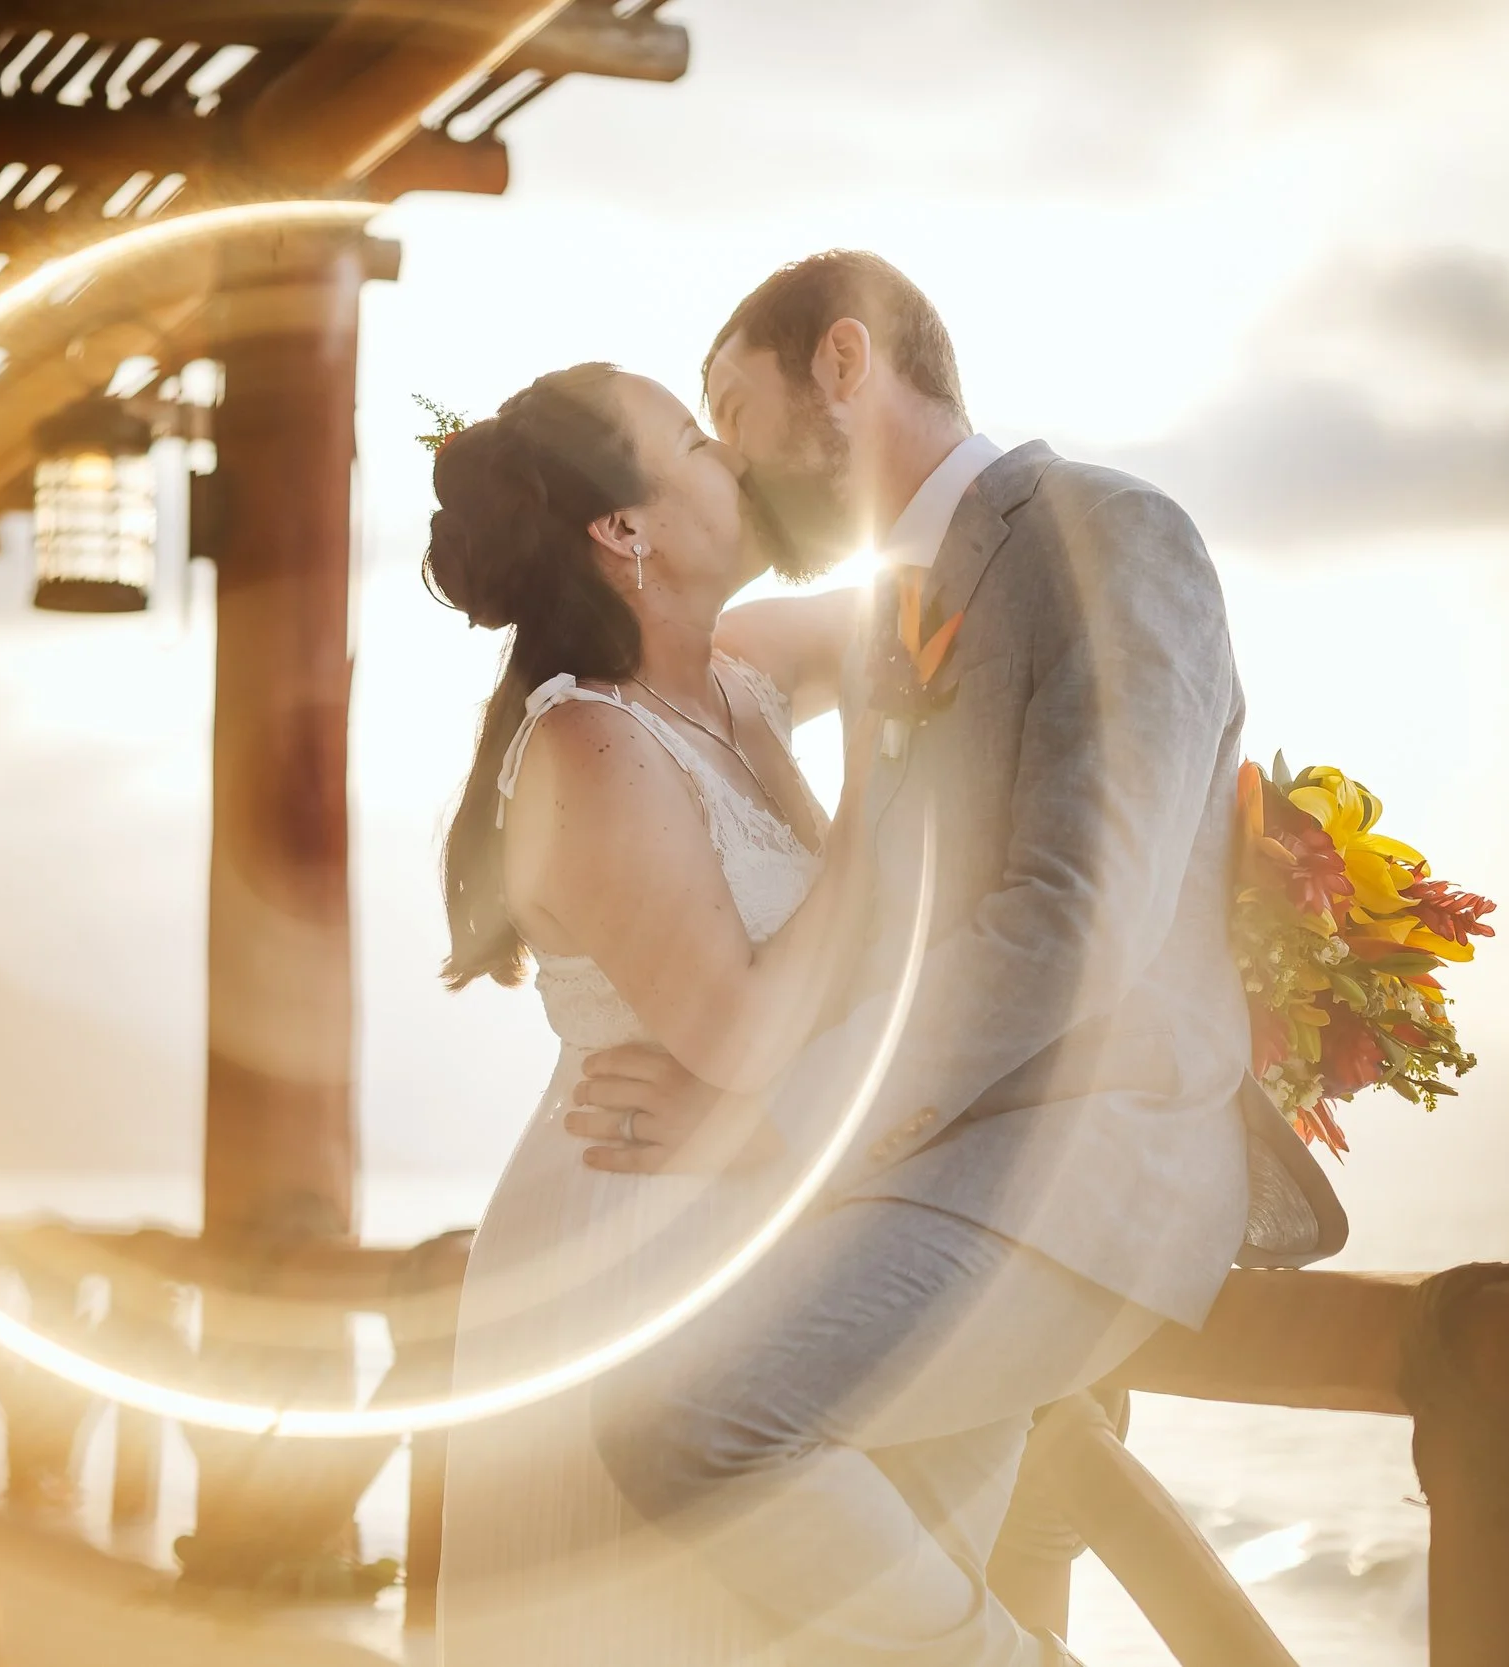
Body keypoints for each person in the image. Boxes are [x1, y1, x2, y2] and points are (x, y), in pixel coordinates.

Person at [566, 251, 1255, 1666]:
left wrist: (770, 1112)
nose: (732, 460)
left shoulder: (1112, 533)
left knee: (678, 1412)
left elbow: (1073, 929)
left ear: (841, 362)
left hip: (1081, 1171)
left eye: (728, 407)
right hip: (934, 1180)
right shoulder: (891, 617)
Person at [423, 361, 879, 1665]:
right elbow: (738, 1035)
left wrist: (856, 444)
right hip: (634, 1237)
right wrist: (880, 823)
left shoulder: (732, 677)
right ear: (622, 532)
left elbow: (931, 617)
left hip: (739, 1195)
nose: (731, 451)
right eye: (695, 435)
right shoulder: (593, 747)